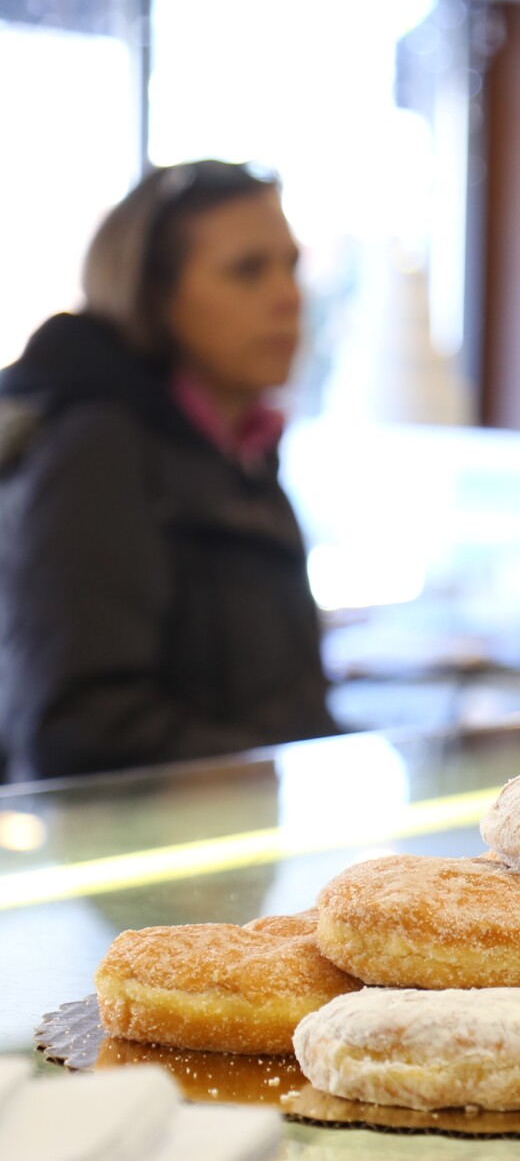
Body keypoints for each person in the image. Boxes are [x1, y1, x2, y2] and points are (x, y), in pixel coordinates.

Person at [0, 160, 336, 781]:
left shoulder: (241, 451)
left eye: (290, 265)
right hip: (134, 862)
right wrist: (282, 775)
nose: (288, 297)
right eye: (247, 270)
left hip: (248, 849)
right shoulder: (99, 447)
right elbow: (78, 728)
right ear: (155, 294)